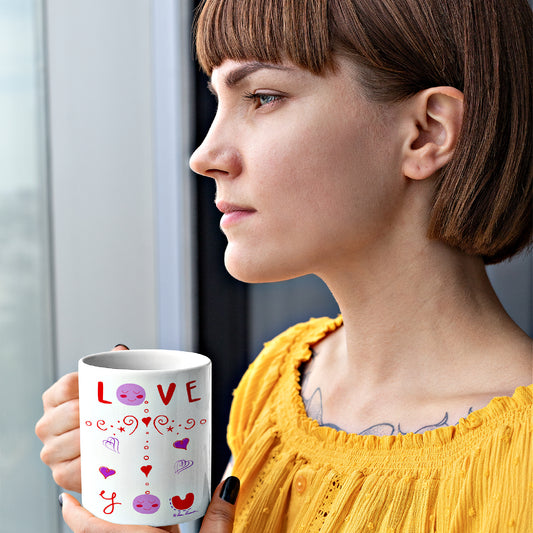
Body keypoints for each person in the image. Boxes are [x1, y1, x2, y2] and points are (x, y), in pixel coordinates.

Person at [37, 0, 532, 531]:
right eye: (219, 101)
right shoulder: (276, 384)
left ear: (427, 132)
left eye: (263, 97)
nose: (203, 156)